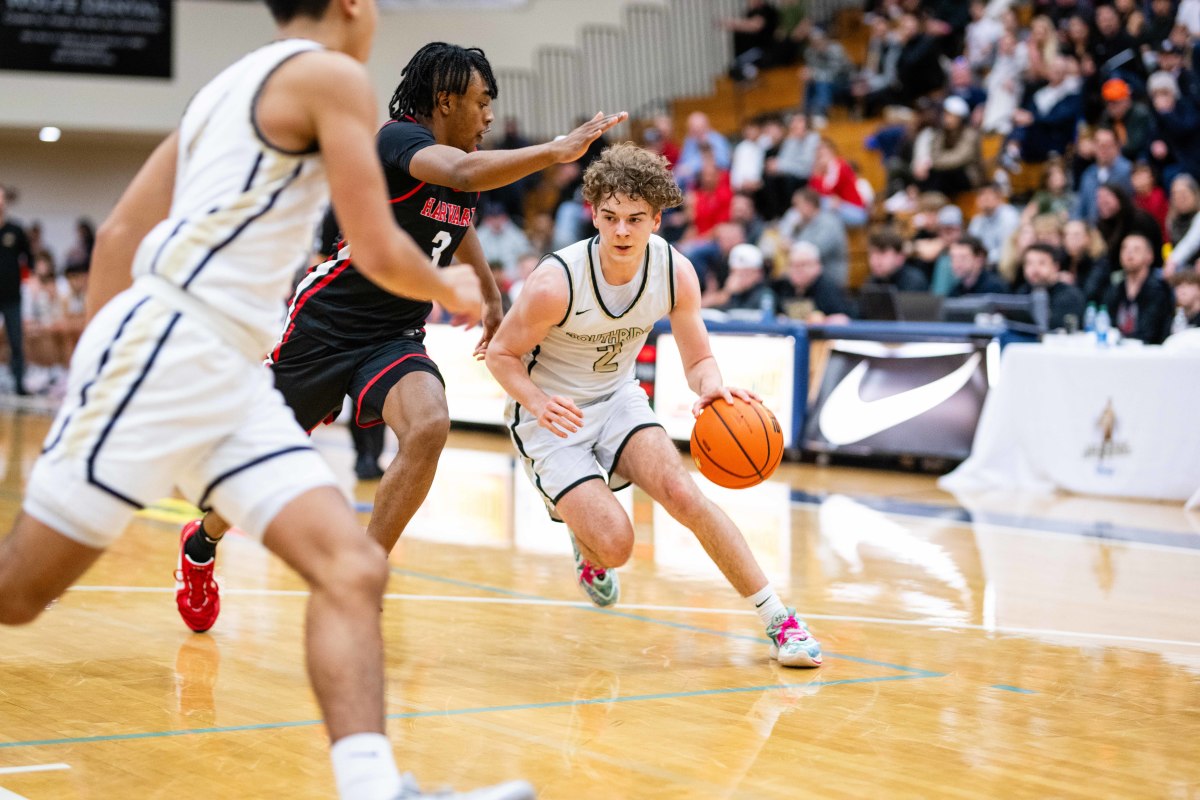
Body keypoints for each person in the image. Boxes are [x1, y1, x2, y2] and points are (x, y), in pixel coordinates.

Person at [0, 3, 537, 800]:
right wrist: (452, 288)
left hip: (224, 366)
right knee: (18, 592)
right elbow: (381, 245)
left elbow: (117, 236)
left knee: (351, 569)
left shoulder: (221, 90)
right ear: (351, 3)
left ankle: (375, 788)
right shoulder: (330, 77)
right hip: (172, 347)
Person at [172, 42, 625, 639]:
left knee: (430, 423)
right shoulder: (396, 141)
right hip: (325, 327)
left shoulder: (463, 161)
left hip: (393, 333)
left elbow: (455, 219)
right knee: (254, 472)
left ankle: (360, 577)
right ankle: (202, 543)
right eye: (481, 102)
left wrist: (491, 295)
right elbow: (459, 178)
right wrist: (555, 150)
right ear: (445, 99)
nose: (488, 116)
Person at [484, 142, 822, 669]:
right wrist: (536, 400)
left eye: (635, 219)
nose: (621, 232)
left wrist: (712, 386)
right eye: (611, 217)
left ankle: (780, 619)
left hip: (619, 398)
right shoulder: (554, 282)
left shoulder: (675, 272)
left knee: (683, 492)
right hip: (552, 413)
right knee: (616, 545)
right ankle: (587, 541)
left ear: (657, 220)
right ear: (594, 213)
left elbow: (698, 359)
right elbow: (501, 354)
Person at [1104, 232, 1175, 343]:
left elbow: (1153, 331)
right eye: (1124, 249)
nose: (1129, 254)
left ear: (1150, 256)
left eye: (1136, 249)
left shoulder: (1160, 290)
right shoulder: (1115, 289)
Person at [772, 240, 853, 322]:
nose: (797, 270)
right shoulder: (782, 287)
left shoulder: (829, 290)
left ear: (817, 266)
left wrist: (825, 320)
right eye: (793, 265)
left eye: (803, 265)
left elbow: (844, 319)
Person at [0, 185, 31, 395]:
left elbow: (29, 259)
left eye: (2, 198)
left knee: (16, 341)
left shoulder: (16, 230)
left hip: (12, 297)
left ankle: (19, 385)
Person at [1017, 244, 1086, 331]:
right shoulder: (1022, 292)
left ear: (1055, 267)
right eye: (1029, 263)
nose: (1034, 269)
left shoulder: (1070, 296)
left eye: (1042, 263)